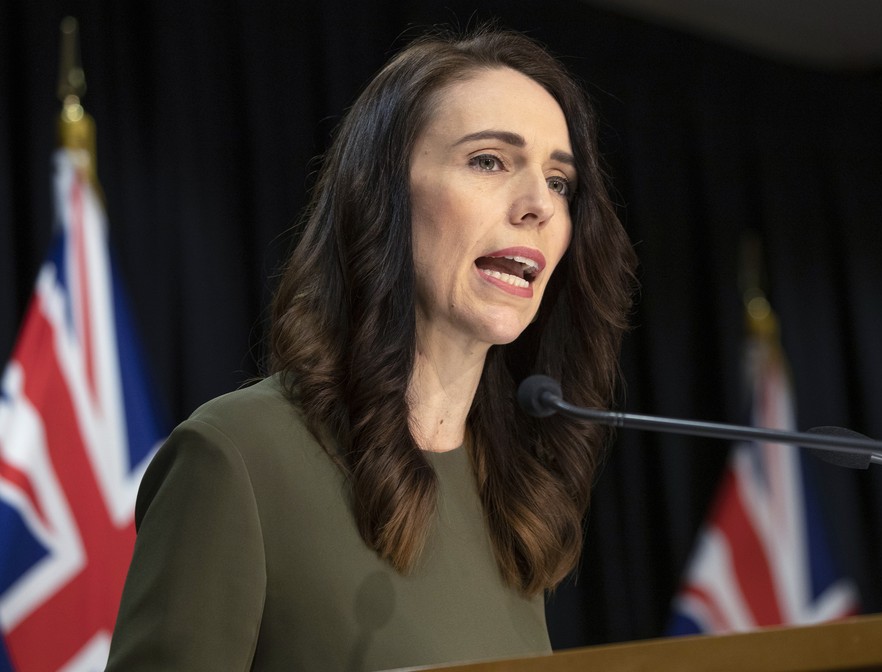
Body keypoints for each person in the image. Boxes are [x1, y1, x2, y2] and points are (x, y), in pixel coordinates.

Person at [106, 26, 637, 671]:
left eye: (559, 181)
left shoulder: (513, 493)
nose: (538, 207)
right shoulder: (238, 457)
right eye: (489, 161)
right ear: (380, 194)